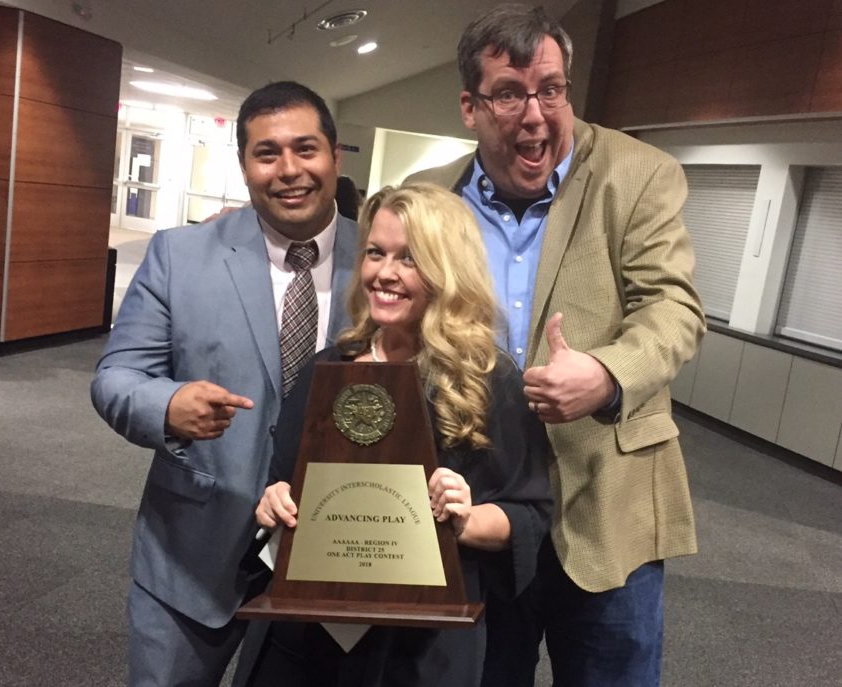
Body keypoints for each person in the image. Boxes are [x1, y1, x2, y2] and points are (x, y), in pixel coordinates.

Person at [406, 5, 706, 686]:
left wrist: (606, 372)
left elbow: (674, 307)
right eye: (510, 93)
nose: (537, 114)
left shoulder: (638, 175)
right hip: (479, 507)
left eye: (552, 88)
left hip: (606, 503)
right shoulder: (431, 198)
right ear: (470, 106)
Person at [90, 81, 358, 686]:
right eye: (267, 153)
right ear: (244, 166)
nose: (289, 170)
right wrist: (166, 404)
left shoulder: (386, 261)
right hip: (192, 553)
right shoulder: (178, 255)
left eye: (306, 149)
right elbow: (116, 376)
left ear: (336, 157)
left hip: (338, 549)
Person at [248, 183, 551, 687]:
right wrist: (273, 503)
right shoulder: (330, 368)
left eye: (409, 258)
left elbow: (530, 514)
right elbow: (282, 485)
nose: (384, 273)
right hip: (312, 632)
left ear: (446, 270)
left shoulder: (490, 381)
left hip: (422, 643)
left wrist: (465, 518)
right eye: (375, 253)